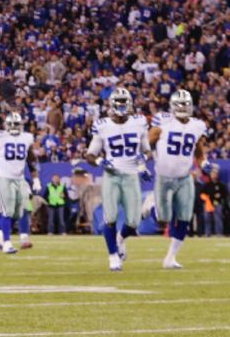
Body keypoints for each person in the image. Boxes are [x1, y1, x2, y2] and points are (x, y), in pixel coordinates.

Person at [85, 87, 150, 271]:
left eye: (124, 103)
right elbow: (90, 154)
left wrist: (144, 158)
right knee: (111, 217)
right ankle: (113, 255)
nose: (122, 107)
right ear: (112, 104)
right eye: (119, 103)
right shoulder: (103, 125)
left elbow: (147, 150)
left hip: (131, 176)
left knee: (134, 222)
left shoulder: (139, 122)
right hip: (112, 177)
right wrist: (100, 161)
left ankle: (120, 239)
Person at [149, 90, 206, 267]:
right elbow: (148, 141)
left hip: (184, 177)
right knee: (163, 218)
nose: (183, 107)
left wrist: (203, 163)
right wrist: (149, 157)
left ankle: (170, 258)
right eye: (179, 104)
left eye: (186, 104)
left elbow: (198, 148)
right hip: (164, 177)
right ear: (172, 106)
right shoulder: (162, 120)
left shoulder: (198, 125)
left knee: (185, 217)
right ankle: (149, 207)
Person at [0, 112, 39, 255]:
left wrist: (36, 178)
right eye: (12, 124)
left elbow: (31, 159)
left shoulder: (27, 137)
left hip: (19, 178)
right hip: (4, 177)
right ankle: (7, 243)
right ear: (7, 125)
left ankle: (3, 236)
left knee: (20, 210)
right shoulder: (1, 136)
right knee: (6, 210)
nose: (14, 127)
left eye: (17, 124)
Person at [200, 167, 226, 237]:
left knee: (218, 219)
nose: (214, 175)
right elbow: (201, 194)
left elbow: (225, 194)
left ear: (217, 175)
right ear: (210, 175)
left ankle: (219, 233)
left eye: (215, 174)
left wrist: (220, 196)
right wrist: (206, 199)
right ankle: (207, 233)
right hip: (208, 205)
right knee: (207, 219)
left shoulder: (221, 185)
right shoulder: (207, 184)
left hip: (217, 204)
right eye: (212, 173)